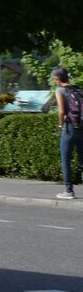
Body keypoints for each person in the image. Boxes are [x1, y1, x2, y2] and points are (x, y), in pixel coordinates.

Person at [51, 66, 83, 199]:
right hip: (82, 127)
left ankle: (69, 190)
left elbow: (62, 111)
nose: (54, 82)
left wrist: (60, 124)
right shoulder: (77, 89)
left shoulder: (60, 90)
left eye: (54, 79)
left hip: (69, 128)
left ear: (57, 79)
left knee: (66, 160)